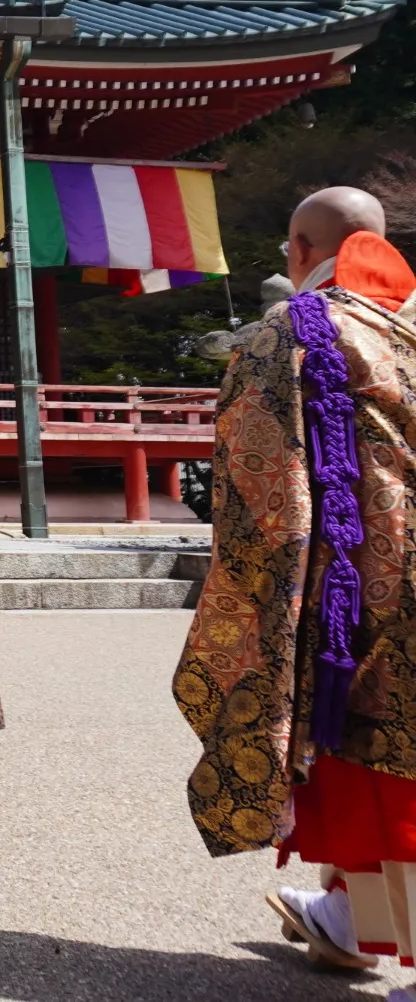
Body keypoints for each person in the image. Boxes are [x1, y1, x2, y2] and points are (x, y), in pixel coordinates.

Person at [174, 187, 416, 975]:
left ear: (304, 251)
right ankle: (347, 916)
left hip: (358, 582)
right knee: (375, 756)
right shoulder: (409, 327)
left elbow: (257, 476)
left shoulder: (299, 331)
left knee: (360, 744)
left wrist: (252, 597)